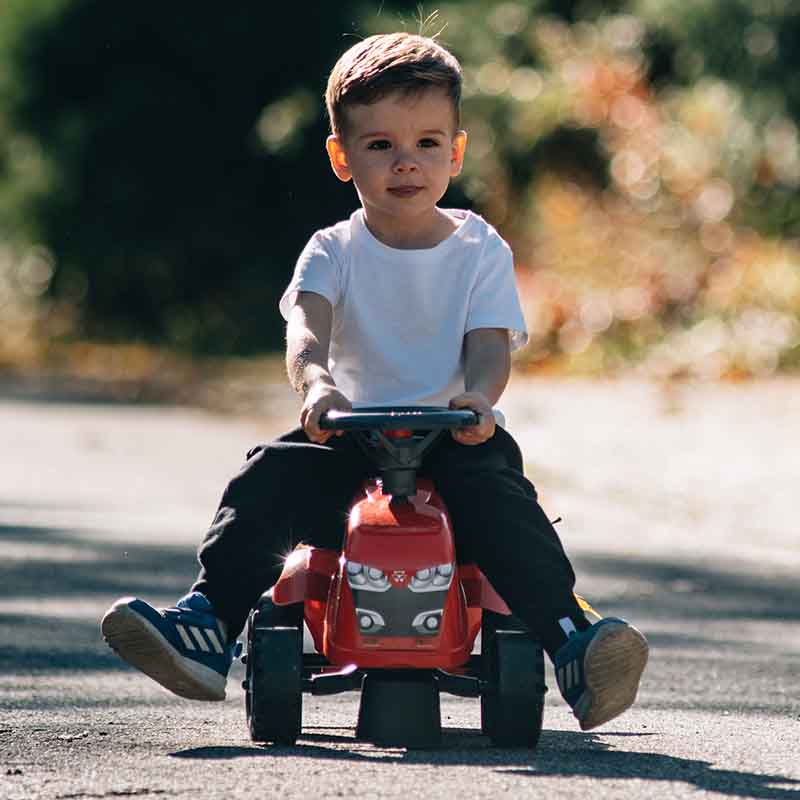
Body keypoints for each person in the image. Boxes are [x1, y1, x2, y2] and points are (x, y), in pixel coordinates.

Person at [101, 32, 648, 732]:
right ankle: (205, 621)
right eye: (381, 145)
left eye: (426, 143)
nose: (406, 163)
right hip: (349, 440)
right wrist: (317, 387)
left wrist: (479, 398)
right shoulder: (332, 251)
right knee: (267, 475)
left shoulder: (479, 249)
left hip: (456, 441)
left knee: (508, 511)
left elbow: (488, 346)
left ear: (456, 151)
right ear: (341, 156)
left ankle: (573, 640)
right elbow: (306, 331)